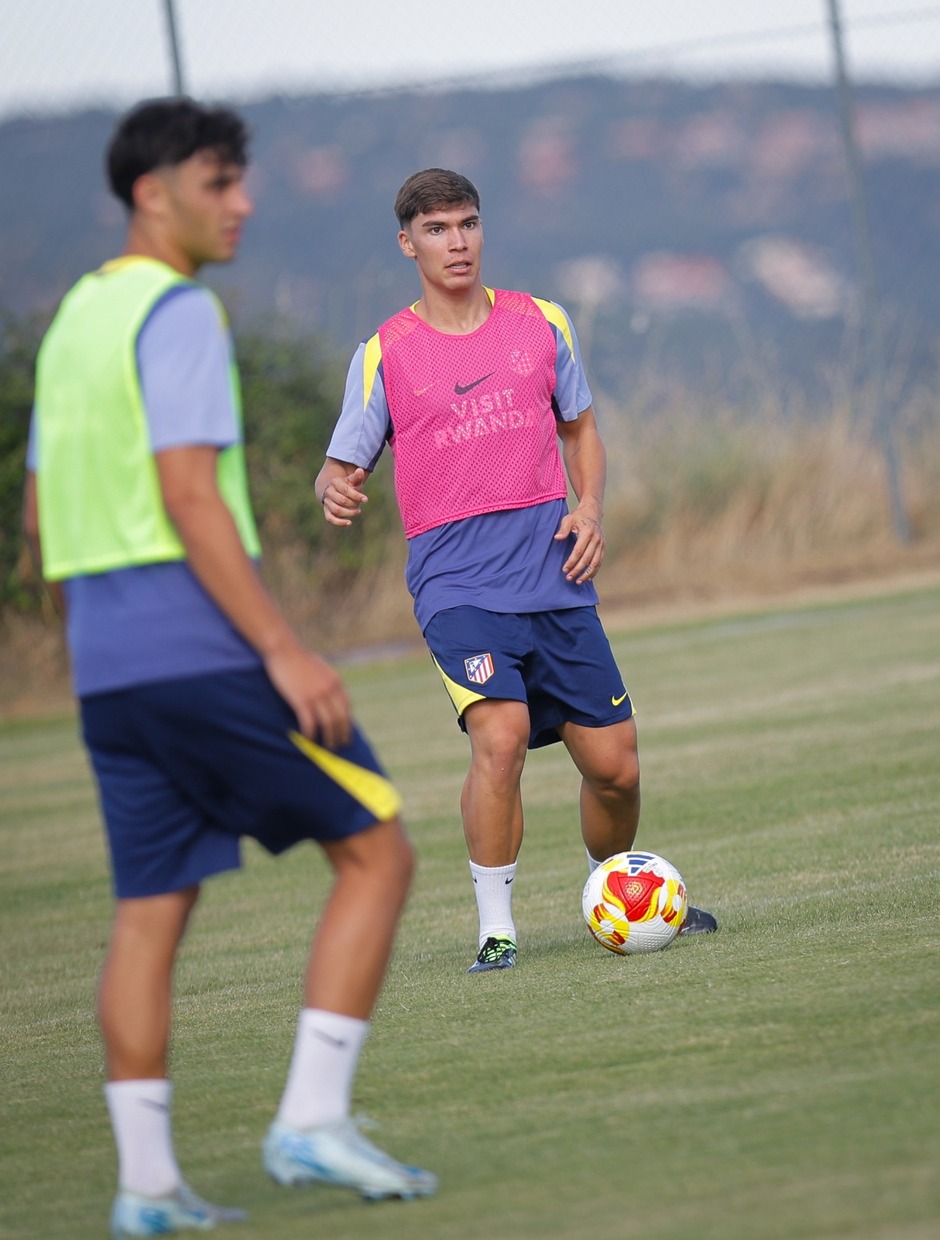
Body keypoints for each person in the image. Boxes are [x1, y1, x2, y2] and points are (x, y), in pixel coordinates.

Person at [22, 99, 436, 1239]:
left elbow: (42, 513)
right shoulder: (178, 310)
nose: (242, 202)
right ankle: (311, 1121)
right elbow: (190, 494)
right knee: (379, 847)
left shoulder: (74, 321)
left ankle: (146, 1189)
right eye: (219, 182)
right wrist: (281, 646)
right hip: (202, 653)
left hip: (111, 673)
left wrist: (92, 654)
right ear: (154, 194)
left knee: (149, 909)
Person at [316, 168, 717, 975]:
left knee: (616, 767)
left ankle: (619, 889)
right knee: (497, 736)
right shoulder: (385, 352)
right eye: (436, 229)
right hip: (456, 589)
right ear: (408, 243)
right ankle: (495, 931)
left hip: (553, 574)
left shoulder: (541, 322)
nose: (456, 241)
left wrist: (592, 506)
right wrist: (335, 485)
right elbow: (339, 463)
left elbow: (583, 430)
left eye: (466, 224)